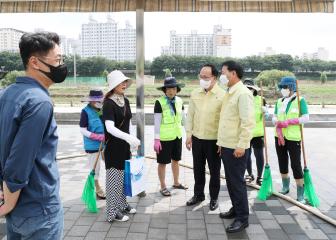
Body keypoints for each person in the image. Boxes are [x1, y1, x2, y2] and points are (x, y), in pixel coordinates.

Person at [0, 32, 67, 239]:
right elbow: (20, 158)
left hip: (16, 207)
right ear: (34, 62)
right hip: (38, 207)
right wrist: (7, 204)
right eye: (57, 60)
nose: (61, 65)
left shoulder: (7, 93)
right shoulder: (39, 101)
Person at [217, 60, 255, 233]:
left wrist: (241, 146)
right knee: (231, 182)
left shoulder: (243, 93)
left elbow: (248, 123)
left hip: (237, 148)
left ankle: (242, 218)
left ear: (233, 73)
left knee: (237, 183)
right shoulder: (230, 92)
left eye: (223, 72)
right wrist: (221, 143)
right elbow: (226, 121)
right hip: (227, 145)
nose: (221, 76)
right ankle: (236, 209)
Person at [185, 64, 225, 211]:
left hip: (214, 140)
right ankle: (198, 194)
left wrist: (222, 141)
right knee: (198, 169)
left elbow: (224, 121)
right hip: (197, 138)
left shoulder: (222, 95)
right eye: (200, 76)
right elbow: (190, 116)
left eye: (206, 77)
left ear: (214, 78)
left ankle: (213, 198)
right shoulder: (195, 93)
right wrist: (189, 135)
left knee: (215, 171)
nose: (202, 79)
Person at [103, 70, 140, 222]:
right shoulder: (108, 103)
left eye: (125, 82)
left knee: (124, 178)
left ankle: (122, 204)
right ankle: (112, 212)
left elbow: (128, 122)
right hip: (113, 147)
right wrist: (129, 138)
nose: (124, 84)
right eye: (121, 82)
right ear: (113, 85)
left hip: (125, 146)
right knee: (114, 179)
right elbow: (110, 128)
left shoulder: (125, 100)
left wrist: (131, 142)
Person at [273, 76, 309, 204]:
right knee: (282, 161)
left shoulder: (300, 101)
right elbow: (275, 116)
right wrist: (276, 121)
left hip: (293, 138)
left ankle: (300, 192)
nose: (283, 89)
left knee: (295, 164)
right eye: (281, 87)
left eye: (285, 87)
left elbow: (306, 118)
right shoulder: (279, 101)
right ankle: (285, 186)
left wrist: (290, 122)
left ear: (292, 87)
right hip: (279, 136)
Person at [154, 76, 188, 197]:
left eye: (173, 88)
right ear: (164, 90)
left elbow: (184, 119)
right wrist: (156, 139)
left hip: (177, 136)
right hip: (164, 139)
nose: (170, 91)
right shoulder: (159, 102)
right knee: (162, 163)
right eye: (168, 88)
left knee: (176, 160)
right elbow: (157, 122)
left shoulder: (180, 101)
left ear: (177, 89)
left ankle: (176, 182)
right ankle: (163, 186)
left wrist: (188, 134)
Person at [79, 89, 106, 199]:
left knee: (110, 165)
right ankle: (97, 187)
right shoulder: (85, 112)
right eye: (96, 100)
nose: (99, 102)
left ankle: (112, 186)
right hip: (93, 144)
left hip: (107, 143)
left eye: (101, 100)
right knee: (95, 168)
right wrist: (98, 137)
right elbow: (83, 130)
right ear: (90, 101)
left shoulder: (104, 109)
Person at [243, 79, 268, 186]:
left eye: (250, 88)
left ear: (254, 89)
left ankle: (259, 176)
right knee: (246, 155)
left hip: (258, 133)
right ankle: (249, 174)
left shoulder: (261, 99)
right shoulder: (241, 99)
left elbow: (266, 116)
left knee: (259, 155)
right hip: (245, 132)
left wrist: (265, 112)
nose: (248, 90)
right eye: (246, 88)